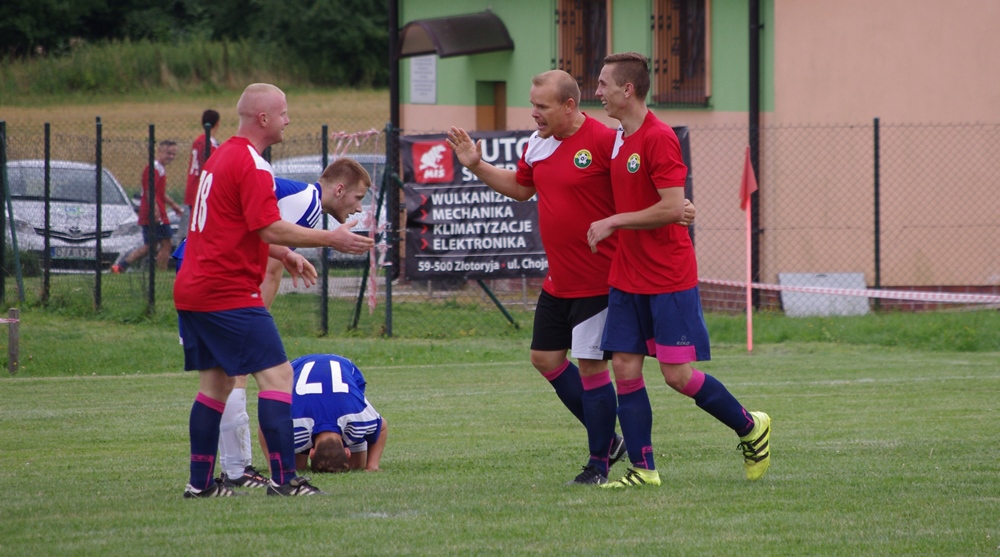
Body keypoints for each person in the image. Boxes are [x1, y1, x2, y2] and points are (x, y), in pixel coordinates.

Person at [445, 70, 695, 486]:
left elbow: (642, 186)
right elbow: (522, 188)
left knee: (593, 366)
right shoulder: (538, 143)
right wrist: (476, 166)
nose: (534, 113)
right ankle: (610, 443)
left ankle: (598, 463)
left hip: (601, 278)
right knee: (544, 359)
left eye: (542, 106)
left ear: (569, 106)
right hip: (559, 279)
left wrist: (681, 208)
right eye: (533, 105)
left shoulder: (603, 140)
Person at [174, 82, 375, 498]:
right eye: (283, 113)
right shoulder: (253, 164)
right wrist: (331, 239)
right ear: (263, 118)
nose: (288, 120)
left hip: (194, 284)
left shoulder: (223, 156)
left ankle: (200, 486)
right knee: (279, 376)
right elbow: (266, 226)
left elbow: (245, 225)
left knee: (215, 385)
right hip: (226, 289)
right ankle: (285, 481)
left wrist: (285, 253)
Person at [587, 52, 772, 488]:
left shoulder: (659, 137)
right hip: (626, 275)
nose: (597, 93)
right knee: (625, 369)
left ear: (626, 90)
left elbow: (672, 207)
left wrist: (615, 220)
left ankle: (750, 427)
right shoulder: (615, 139)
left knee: (677, 376)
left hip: (667, 276)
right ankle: (643, 469)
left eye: (602, 84)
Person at [288, 353, 388, 474]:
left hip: (342, 368)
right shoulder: (296, 427)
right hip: (297, 367)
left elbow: (264, 429)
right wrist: (372, 466)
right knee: (298, 465)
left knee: (356, 465)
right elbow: (381, 427)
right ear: (347, 452)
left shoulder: (294, 427)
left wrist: (372, 465)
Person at [112, 140, 183, 273]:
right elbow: (150, 192)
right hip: (153, 211)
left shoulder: (160, 169)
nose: (171, 157)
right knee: (166, 242)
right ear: (159, 151)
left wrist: (173, 205)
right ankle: (161, 273)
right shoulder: (154, 168)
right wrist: (155, 210)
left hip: (153, 210)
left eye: (173, 154)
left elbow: (159, 192)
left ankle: (120, 267)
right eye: (168, 153)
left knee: (149, 246)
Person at [179, 109, 221, 241]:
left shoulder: (199, 140)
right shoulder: (208, 144)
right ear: (218, 123)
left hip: (194, 188)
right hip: (202, 190)